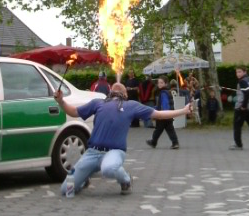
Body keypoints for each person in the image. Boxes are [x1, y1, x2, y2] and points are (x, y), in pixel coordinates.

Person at [54, 83, 192, 195]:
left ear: (125, 94)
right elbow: (73, 112)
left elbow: (160, 114)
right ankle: (83, 179)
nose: (118, 86)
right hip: (92, 153)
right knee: (66, 189)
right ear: (110, 92)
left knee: (108, 169)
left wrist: (183, 111)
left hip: (114, 152)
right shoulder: (98, 103)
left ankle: (126, 180)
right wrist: (60, 100)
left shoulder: (131, 106)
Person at [146, 75, 181, 150]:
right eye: (159, 83)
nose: (159, 84)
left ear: (166, 84)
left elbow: (165, 104)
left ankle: (153, 142)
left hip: (163, 115)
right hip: (168, 115)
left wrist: (162, 113)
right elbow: (161, 104)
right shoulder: (166, 92)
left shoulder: (163, 93)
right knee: (170, 130)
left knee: (158, 130)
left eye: (161, 83)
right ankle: (175, 143)